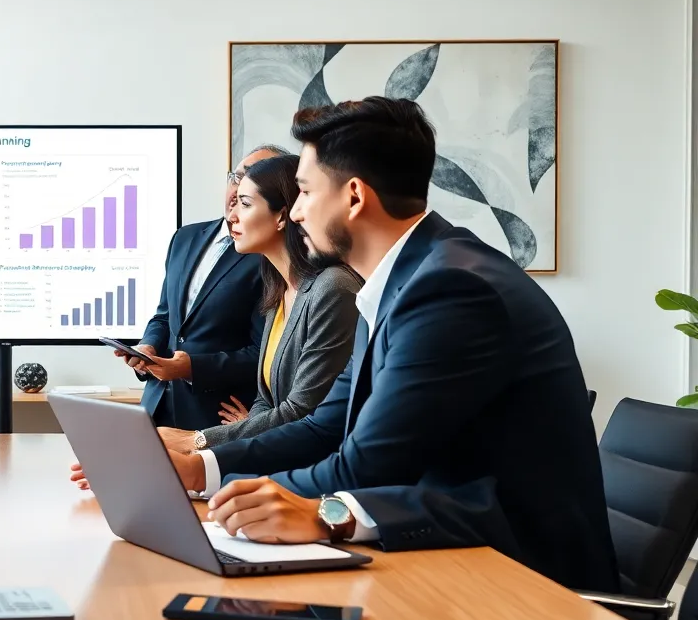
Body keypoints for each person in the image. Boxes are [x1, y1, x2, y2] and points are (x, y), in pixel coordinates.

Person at [168, 97, 618, 593]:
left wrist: (285, 506)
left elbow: (366, 466)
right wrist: (200, 469)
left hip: (523, 581)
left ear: (354, 197)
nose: (295, 212)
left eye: (305, 192)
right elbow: (325, 426)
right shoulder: (399, 280)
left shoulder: (450, 289)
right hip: (449, 556)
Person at [72, 154, 362, 490]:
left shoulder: (332, 288)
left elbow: (300, 411)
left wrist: (195, 441)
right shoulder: (278, 288)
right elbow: (266, 399)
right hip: (269, 468)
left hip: (311, 484)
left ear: (283, 216)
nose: (232, 215)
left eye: (245, 204)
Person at [119, 145, 284, 429]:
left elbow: (265, 353)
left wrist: (191, 368)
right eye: (237, 178)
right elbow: (165, 316)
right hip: (156, 407)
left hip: (217, 418)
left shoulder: (269, 257)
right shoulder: (184, 237)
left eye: (252, 183)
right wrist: (148, 347)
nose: (238, 190)